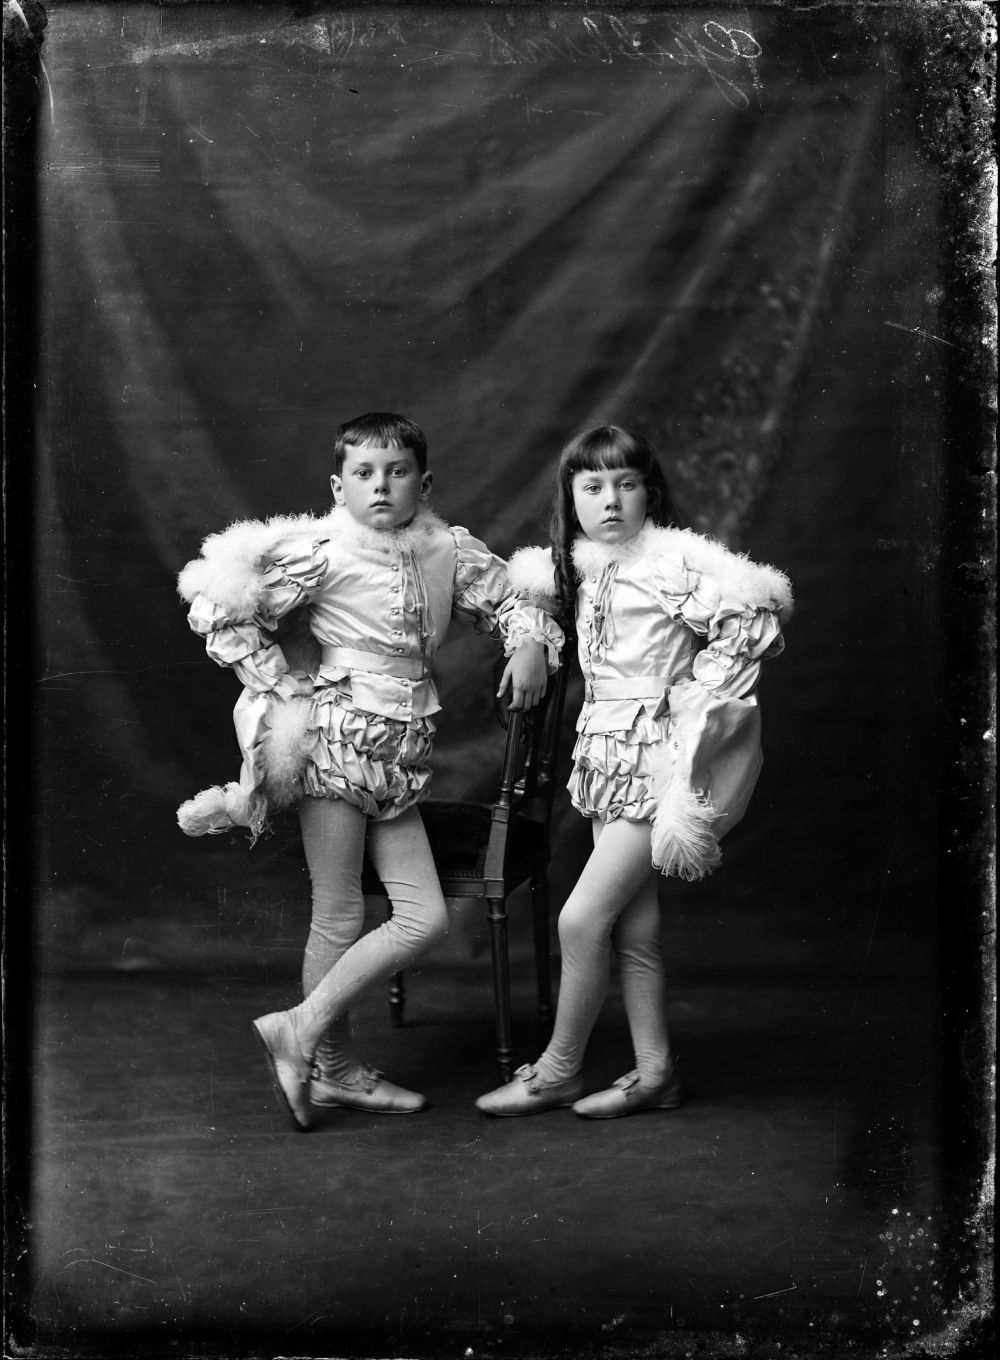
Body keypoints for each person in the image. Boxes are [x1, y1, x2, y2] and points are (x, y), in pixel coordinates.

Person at [176, 412, 563, 1130]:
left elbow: (515, 597)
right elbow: (219, 605)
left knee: (423, 917)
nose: (381, 486)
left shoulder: (448, 549)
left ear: (424, 482)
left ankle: (300, 1029)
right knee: (340, 911)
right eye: (363, 473)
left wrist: (529, 642)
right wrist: (278, 686)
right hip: (334, 740)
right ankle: (336, 1071)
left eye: (397, 471)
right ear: (338, 487)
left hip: (402, 752)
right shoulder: (325, 550)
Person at [475, 425, 792, 1119]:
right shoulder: (576, 565)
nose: (611, 501)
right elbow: (524, 596)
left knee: (581, 920)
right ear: (571, 498)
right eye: (592, 487)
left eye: (626, 484)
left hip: (653, 759)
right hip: (605, 758)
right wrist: (529, 642)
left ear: (650, 492)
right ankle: (656, 1074)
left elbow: (754, 615)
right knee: (633, 930)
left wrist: (695, 701)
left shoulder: (673, 561)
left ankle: (558, 1071)